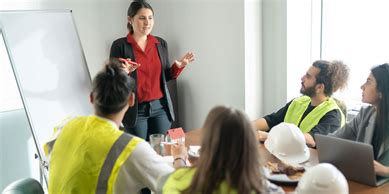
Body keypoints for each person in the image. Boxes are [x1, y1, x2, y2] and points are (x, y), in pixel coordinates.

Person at [45, 60, 188, 194]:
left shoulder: (65, 126)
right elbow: (178, 188)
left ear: (91, 97)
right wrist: (179, 158)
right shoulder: (130, 148)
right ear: (132, 100)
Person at [110, 0, 195, 140]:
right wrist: (123, 73)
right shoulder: (119, 46)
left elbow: (166, 77)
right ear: (130, 20)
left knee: (160, 152)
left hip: (161, 108)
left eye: (150, 18)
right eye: (142, 18)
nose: (147, 22)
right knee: (139, 152)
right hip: (135, 110)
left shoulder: (160, 44)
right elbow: (112, 81)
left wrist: (178, 67)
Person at [163, 106, 284, 194]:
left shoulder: (176, 182)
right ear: (249, 147)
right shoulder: (264, 189)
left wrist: (179, 159)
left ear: (207, 143)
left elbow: (180, 176)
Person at [254, 60, 349, 147]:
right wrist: (245, 127)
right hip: (287, 156)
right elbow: (271, 120)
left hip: (310, 163)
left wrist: (270, 137)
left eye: (308, 77)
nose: (302, 78)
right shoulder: (299, 102)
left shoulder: (333, 115)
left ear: (319, 87)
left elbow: (311, 140)